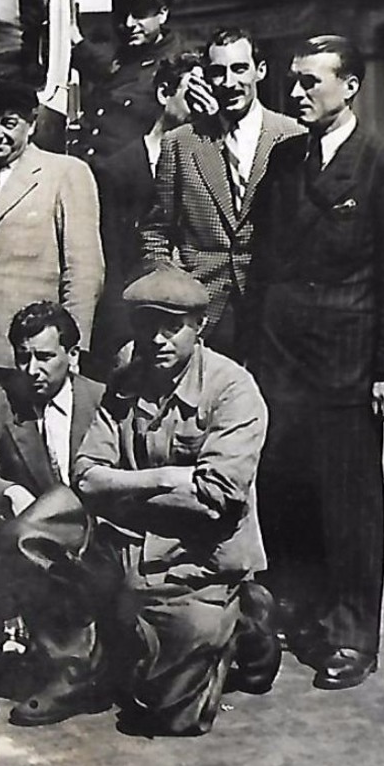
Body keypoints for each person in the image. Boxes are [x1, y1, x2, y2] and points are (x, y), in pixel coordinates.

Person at [248, 34, 384, 690]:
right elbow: (265, 265)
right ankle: (300, 612)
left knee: (350, 502)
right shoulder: (286, 157)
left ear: (348, 86)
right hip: (282, 363)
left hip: (349, 366)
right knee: (288, 491)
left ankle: (352, 634)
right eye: (292, 81)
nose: (295, 93)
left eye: (309, 82)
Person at [71, 265, 273, 736]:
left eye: (173, 326)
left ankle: (246, 624)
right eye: (146, 325)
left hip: (196, 561)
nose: (158, 339)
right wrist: (162, 477)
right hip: (126, 551)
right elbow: (85, 475)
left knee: (171, 717)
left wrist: (121, 488)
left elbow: (215, 497)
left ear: (199, 327)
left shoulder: (232, 388)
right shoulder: (127, 376)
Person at [0, 302, 107, 725]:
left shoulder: (101, 399)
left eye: (44, 356)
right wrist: (9, 490)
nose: (31, 369)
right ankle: (66, 670)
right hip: (29, 542)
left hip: (97, 533)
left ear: (72, 356)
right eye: (23, 357)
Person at [0, 80, 103, 425]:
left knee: (25, 452)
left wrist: (70, 350)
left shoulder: (65, 173)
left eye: (8, 123)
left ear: (32, 123)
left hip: (27, 356)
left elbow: (84, 270)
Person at [140, 29, 305, 362]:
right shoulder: (181, 143)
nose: (229, 82)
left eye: (239, 69)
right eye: (218, 72)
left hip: (272, 309)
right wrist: (175, 289)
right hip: (203, 310)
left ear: (261, 70)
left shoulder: (295, 137)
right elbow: (156, 231)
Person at [86, 53, 206, 379]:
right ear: (164, 94)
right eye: (192, 93)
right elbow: (110, 262)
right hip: (138, 325)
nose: (203, 104)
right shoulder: (117, 171)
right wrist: (120, 336)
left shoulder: (210, 164)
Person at [67, 0, 191, 162]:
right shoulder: (124, 55)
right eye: (122, 13)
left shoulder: (178, 66)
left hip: (139, 179)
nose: (129, 23)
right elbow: (95, 59)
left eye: (140, 14)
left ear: (162, 14)